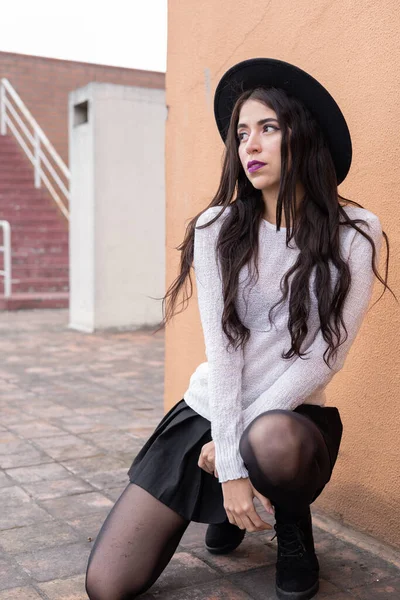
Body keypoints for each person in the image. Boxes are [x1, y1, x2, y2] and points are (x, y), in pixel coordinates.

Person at [85, 58, 394, 600]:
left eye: (268, 128)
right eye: (241, 134)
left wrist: (232, 451)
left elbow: (325, 356)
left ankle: (292, 527)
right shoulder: (217, 228)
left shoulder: (357, 232)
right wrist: (226, 457)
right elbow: (223, 351)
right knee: (108, 585)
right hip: (212, 408)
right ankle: (229, 497)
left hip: (289, 419)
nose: (249, 145)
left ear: (304, 135)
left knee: (269, 439)